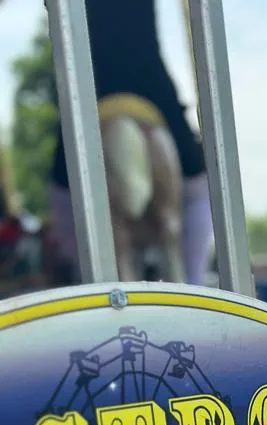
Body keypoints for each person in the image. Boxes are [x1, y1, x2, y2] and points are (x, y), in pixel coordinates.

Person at [47, 0, 213, 285]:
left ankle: (87, 281)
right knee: (195, 181)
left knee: (64, 187)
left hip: (89, 85)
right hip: (148, 82)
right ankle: (194, 280)